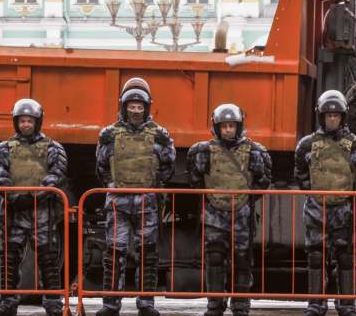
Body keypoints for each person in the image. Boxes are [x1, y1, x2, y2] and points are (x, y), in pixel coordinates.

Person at [95, 81, 176, 316]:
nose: (136, 111)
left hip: (147, 203)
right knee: (114, 254)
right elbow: (102, 167)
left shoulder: (160, 136)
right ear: (124, 107)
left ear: (147, 108)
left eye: (140, 107)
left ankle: (146, 304)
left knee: (148, 255)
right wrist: (116, 187)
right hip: (117, 202)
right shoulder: (109, 135)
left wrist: (151, 188)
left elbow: (168, 168)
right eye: (132, 106)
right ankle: (110, 305)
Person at [294, 90, 356, 316]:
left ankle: (347, 305)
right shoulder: (307, 145)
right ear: (321, 116)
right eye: (328, 115)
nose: (332, 119)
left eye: (336, 115)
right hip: (316, 211)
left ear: (343, 116)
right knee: (316, 258)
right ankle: (316, 304)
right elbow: (301, 176)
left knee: (346, 258)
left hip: (345, 211)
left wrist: (349, 200)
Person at [187, 104, 272, 316]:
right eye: (224, 126)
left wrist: (244, 201)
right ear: (217, 127)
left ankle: (240, 305)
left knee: (242, 260)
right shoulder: (202, 151)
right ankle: (215, 305)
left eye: (231, 126)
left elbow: (263, 180)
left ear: (238, 126)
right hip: (214, 215)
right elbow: (195, 180)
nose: (227, 130)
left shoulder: (255, 151)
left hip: (242, 215)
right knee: (214, 259)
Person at [0, 99, 69, 316]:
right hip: (13, 211)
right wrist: (16, 198)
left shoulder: (53, 148)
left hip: (42, 211)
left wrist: (35, 196)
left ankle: (53, 303)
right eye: (22, 121)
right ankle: (7, 302)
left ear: (38, 122)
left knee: (48, 258)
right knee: (9, 257)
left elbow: (57, 175)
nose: (26, 124)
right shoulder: (4, 149)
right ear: (16, 122)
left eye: (30, 121)